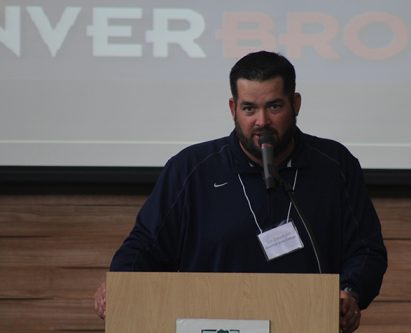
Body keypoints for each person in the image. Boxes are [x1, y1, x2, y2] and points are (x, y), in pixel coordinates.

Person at [94, 51, 387, 333]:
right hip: (208, 322)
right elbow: (145, 244)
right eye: (249, 108)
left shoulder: (334, 164)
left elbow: (366, 249)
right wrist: (121, 284)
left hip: (308, 321)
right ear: (233, 109)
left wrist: (352, 292)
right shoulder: (192, 168)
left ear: (295, 104)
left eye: (274, 106)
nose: (261, 121)